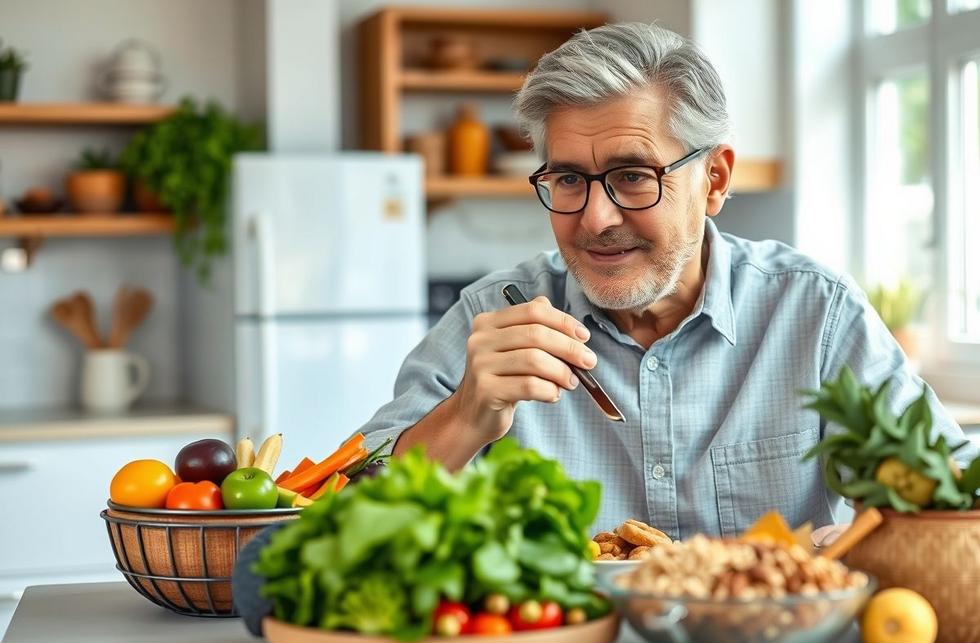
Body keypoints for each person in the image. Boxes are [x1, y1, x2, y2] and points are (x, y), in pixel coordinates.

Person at [357, 22, 971, 537]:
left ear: (716, 181)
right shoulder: (488, 321)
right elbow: (343, 519)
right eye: (569, 179)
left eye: (632, 175)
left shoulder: (817, 314)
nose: (596, 219)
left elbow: (953, 494)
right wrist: (464, 416)